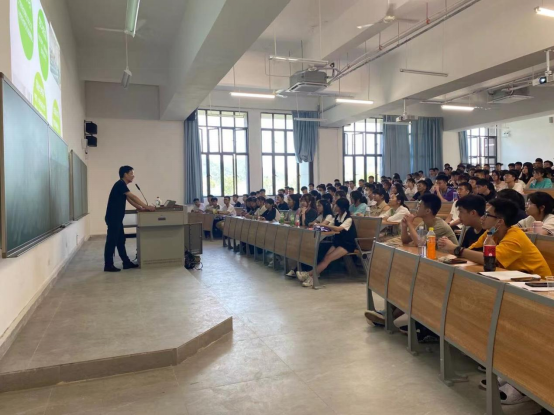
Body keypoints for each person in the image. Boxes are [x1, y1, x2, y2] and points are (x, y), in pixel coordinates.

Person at [438, 198, 551, 277]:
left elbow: (489, 259)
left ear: (500, 222)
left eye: (487, 215)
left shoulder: (515, 237)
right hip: (517, 279)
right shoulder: (491, 232)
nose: (482, 218)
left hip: (541, 285)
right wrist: (455, 249)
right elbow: (471, 250)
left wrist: (456, 249)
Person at [296, 198, 358, 288]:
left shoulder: (348, 219)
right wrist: (323, 226)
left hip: (348, 244)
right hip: (338, 242)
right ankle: (312, 277)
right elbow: (331, 227)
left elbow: (338, 229)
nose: (334, 206)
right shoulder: (337, 216)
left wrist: (323, 225)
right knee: (325, 257)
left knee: (328, 258)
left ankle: (309, 275)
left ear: (341, 207)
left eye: (336, 205)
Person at [104, 166, 155, 273]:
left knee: (120, 240)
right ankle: (108, 265)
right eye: (131, 173)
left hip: (117, 218)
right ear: (125, 174)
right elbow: (133, 197)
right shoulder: (120, 184)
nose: (133, 176)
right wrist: (146, 206)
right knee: (111, 241)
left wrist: (139, 208)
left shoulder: (122, 185)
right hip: (113, 218)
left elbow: (128, 199)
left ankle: (126, 262)